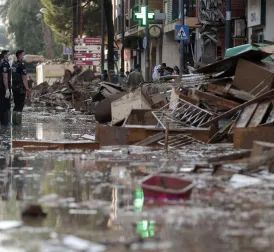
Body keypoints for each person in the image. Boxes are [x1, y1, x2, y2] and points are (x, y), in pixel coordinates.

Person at [11, 50, 31, 126]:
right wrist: (27, 89)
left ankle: (14, 122)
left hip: (14, 87)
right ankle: (18, 124)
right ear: (19, 55)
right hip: (20, 88)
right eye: (23, 55)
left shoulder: (14, 64)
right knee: (20, 105)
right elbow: (24, 78)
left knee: (16, 105)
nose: (24, 56)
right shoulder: (21, 65)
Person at [0, 50, 12, 126]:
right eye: (8, 54)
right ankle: (4, 122)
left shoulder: (2, 63)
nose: (9, 55)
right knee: (4, 105)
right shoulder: (5, 64)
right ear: (4, 55)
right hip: (3, 87)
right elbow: (5, 77)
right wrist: (7, 89)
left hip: (1, 86)